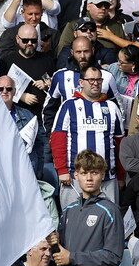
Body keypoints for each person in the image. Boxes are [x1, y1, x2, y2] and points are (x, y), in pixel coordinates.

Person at [50, 64, 123, 209]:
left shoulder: (112, 107)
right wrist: (62, 170)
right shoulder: (68, 106)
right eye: (90, 80)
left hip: (107, 178)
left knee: (109, 221)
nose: (95, 83)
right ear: (81, 82)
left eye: (98, 80)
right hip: (75, 177)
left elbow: (120, 143)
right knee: (73, 222)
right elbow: (57, 139)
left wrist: (120, 175)